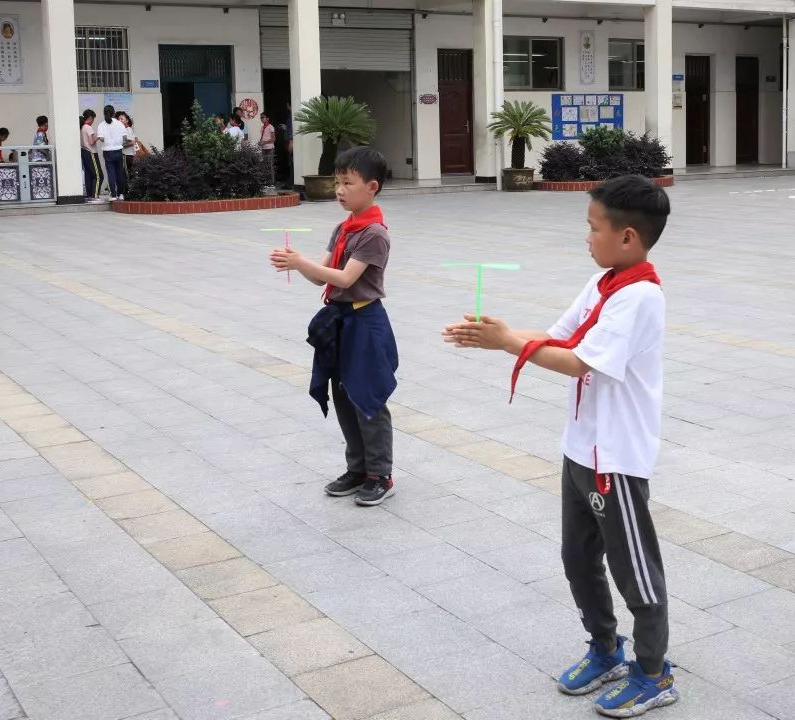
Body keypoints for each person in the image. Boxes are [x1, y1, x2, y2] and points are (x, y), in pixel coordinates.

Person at [442, 175, 677, 717]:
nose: (587, 238)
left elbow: (579, 361)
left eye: (594, 228)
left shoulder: (640, 296)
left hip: (614, 458)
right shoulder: (604, 284)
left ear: (629, 238)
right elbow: (560, 338)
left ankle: (653, 672)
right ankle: (605, 647)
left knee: (634, 569)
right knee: (578, 558)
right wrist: (500, 335)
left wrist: (507, 345)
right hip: (582, 449)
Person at [269, 147, 398, 506]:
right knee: (342, 395)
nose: (339, 190)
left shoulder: (373, 233)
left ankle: (380, 474)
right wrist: (296, 264)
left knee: (368, 398)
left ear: (371, 187)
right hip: (342, 320)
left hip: (365, 321)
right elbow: (321, 280)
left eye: (347, 183)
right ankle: (357, 469)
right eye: (337, 182)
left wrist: (301, 261)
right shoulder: (343, 228)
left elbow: (344, 277)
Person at [97, 105, 127, 201]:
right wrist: (119, 142)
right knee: (120, 173)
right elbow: (125, 138)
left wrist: (107, 139)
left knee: (111, 173)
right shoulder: (119, 124)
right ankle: (121, 194)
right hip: (118, 150)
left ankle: (113, 195)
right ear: (114, 113)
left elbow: (101, 139)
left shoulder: (101, 125)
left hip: (107, 152)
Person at [80, 110, 103, 204]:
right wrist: (98, 136)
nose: (93, 121)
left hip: (84, 152)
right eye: (93, 119)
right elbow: (91, 142)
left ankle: (89, 196)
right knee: (99, 176)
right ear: (90, 118)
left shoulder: (81, 127)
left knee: (89, 175)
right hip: (91, 153)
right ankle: (95, 196)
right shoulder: (88, 127)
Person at [115, 112, 140, 180]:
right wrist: (132, 142)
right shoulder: (124, 130)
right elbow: (125, 143)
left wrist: (133, 142)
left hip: (129, 155)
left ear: (127, 120)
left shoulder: (128, 129)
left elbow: (134, 140)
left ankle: (130, 189)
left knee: (130, 174)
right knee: (128, 174)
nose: (120, 120)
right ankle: (128, 189)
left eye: (121, 119)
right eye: (119, 119)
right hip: (128, 155)